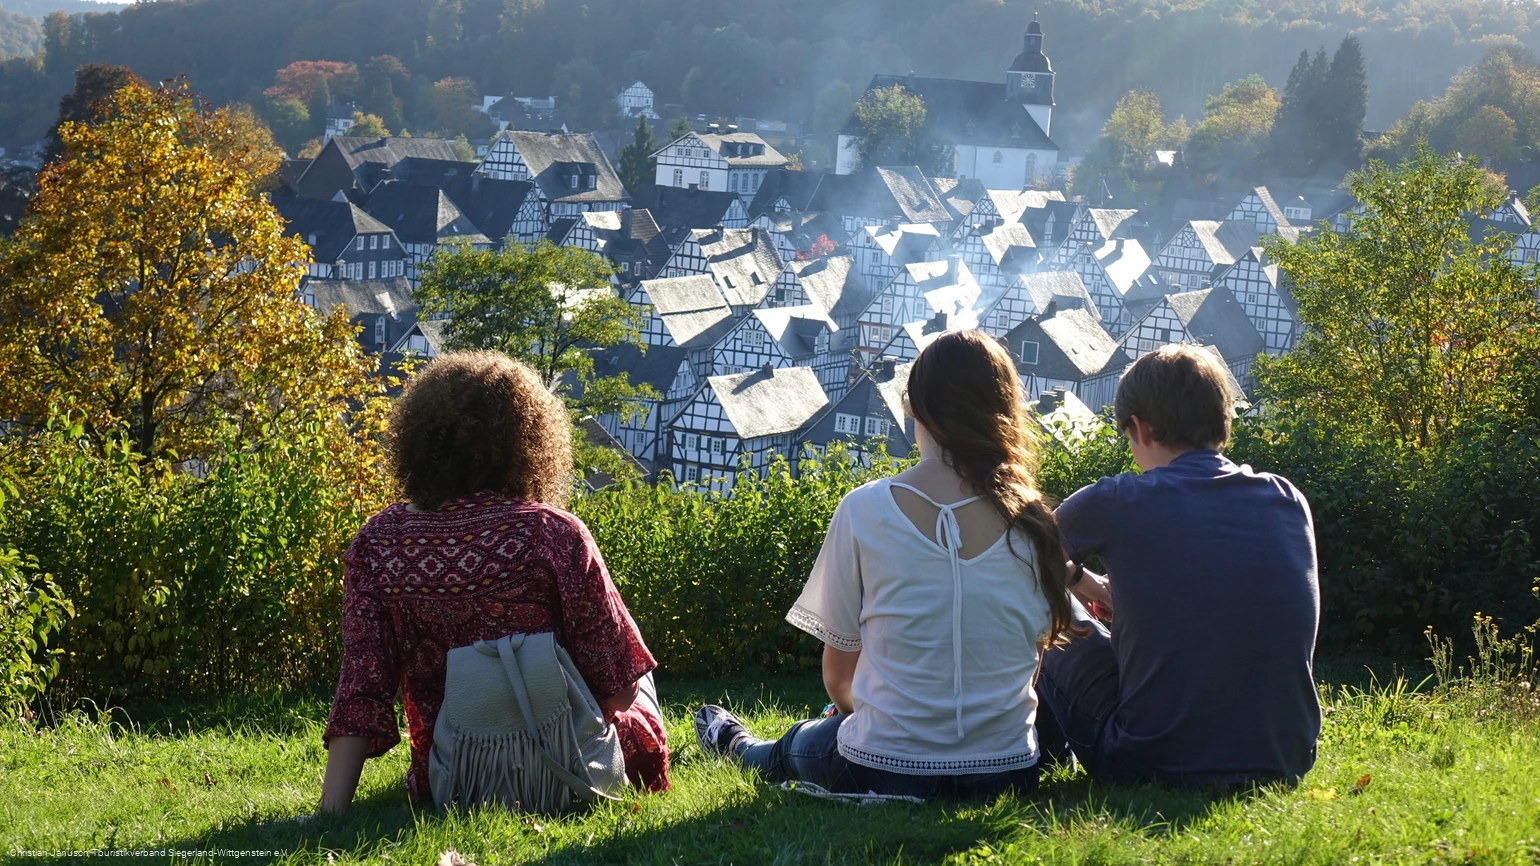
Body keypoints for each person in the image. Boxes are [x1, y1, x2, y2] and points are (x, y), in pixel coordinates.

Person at [693, 330, 1078, 799]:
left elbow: (839, 680)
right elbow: (1026, 662)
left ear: (916, 409)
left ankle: (738, 744)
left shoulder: (865, 509)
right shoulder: (1036, 523)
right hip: (1006, 770)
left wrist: (878, 714)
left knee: (799, 744)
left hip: (885, 766)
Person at [316, 351, 668, 816]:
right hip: (570, 764)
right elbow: (617, 692)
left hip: (453, 777)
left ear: (420, 441)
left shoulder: (377, 545)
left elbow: (361, 690)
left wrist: (330, 813)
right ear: (530, 441)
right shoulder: (554, 533)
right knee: (639, 681)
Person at [1038, 344, 1320, 787]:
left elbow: (1022, 548)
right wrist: (1096, 584)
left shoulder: (1118, 501)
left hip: (1151, 762)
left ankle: (1037, 759)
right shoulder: (1286, 499)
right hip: (1285, 755)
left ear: (1141, 427)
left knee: (1043, 602)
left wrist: (1075, 580)